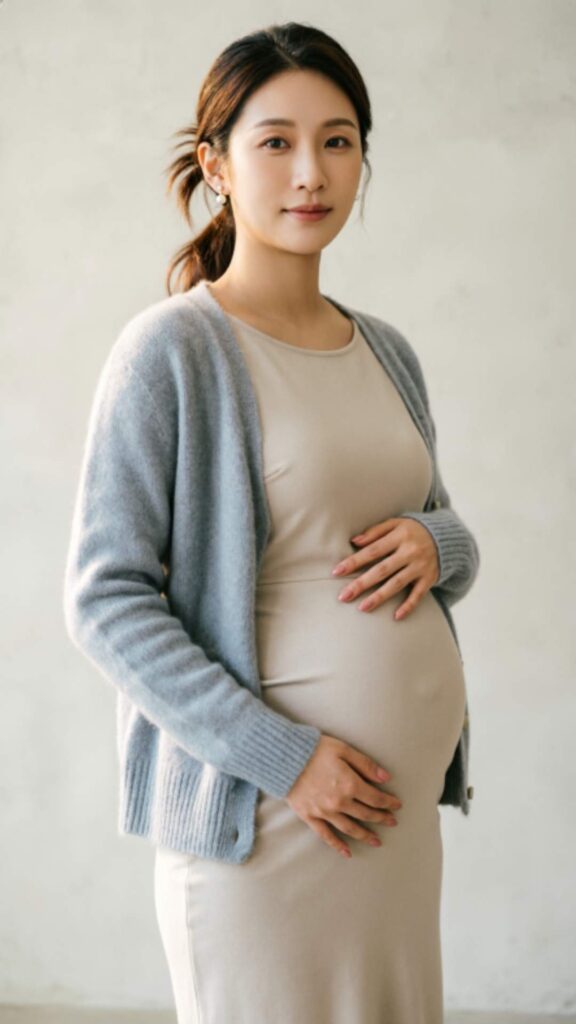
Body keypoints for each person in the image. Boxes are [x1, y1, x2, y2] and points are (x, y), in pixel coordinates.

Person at [63, 21, 480, 1024]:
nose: (310, 173)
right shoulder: (172, 351)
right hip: (266, 818)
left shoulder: (386, 350)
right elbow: (105, 599)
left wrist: (442, 545)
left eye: (338, 141)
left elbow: (437, 531)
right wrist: (284, 759)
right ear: (216, 163)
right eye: (276, 142)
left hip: (392, 828)